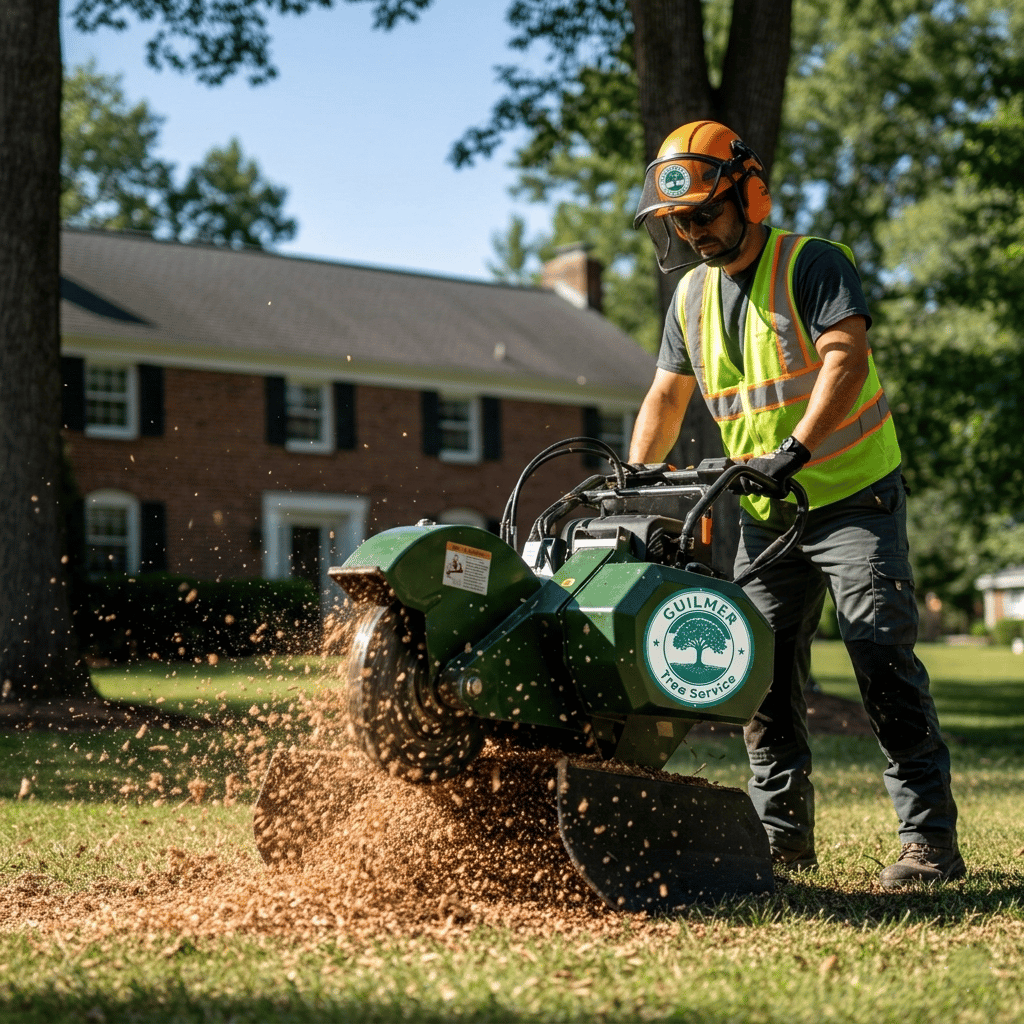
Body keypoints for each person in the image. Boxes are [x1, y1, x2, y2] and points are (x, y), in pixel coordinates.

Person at [629, 120, 963, 888]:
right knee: (762, 679)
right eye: (681, 221)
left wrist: (796, 450)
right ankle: (781, 841)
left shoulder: (813, 262)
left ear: (748, 193)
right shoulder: (688, 297)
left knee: (880, 656)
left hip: (852, 497)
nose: (695, 232)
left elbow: (845, 357)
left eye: (705, 214)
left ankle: (929, 843)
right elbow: (665, 396)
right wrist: (641, 480)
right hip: (765, 516)